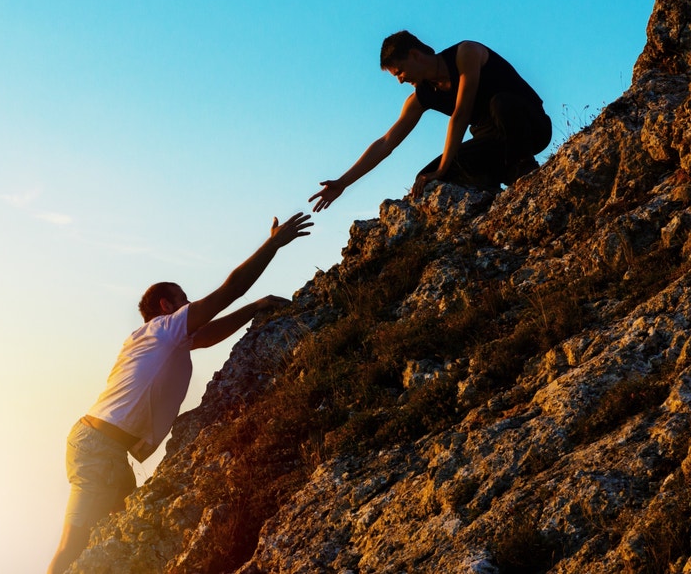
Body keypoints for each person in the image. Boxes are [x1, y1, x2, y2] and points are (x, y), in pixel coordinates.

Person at [47, 212, 314, 574]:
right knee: (75, 543)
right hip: (97, 447)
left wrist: (256, 308)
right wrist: (272, 245)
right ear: (166, 306)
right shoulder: (162, 329)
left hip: (105, 447)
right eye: (184, 301)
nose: (191, 308)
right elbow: (228, 291)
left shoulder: (165, 339)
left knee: (117, 544)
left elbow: (207, 336)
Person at [310, 31, 551, 212]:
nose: (400, 81)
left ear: (415, 55)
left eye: (400, 72)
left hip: (529, 127)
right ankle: (497, 185)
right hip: (492, 144)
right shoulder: (419, 98)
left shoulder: (466, 54)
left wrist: (444, 166)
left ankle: (524, 170)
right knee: (425, 177)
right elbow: (386, 142)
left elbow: (461, 112)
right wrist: (342, 183)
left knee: (501, 103)